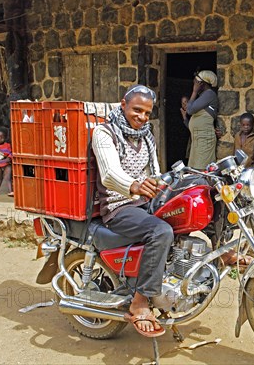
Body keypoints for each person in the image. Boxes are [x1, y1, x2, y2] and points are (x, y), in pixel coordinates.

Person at [92, 84, 171, 337]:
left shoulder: (146, 134)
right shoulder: (104, 133)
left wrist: (163, 183)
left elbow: (154, 170)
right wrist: (134, 186)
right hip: (119, 205)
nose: (142, 117)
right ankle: (140, 301)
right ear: (123, 104)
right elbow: (109, 174)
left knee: (190, 206)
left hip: (144, 199)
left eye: (147, 113)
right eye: (137, 110)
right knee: (161, 231)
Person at [187, 70, 219, 170]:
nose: (194, 84)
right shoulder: (204, 96)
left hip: (204, 138)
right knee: (195, 168)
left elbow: (190, 110)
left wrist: (194, 91)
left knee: (203, 168)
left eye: (196, 83)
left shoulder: (209, 94)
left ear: (202, 83)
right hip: (199, 137)